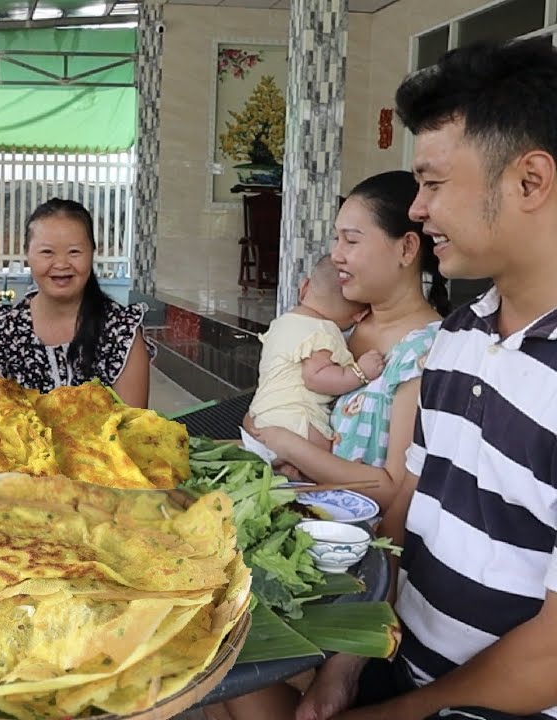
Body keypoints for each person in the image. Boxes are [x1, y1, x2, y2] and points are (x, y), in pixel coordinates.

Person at [287, 38, 557, 720]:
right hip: (400, 658)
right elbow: (409, 522)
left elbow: (550, 658)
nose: (416, 208)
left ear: (530, 181)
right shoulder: (459, 339)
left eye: (433, 184)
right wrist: (347, 667)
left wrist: (396, 712)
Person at [240, 170, 448, 514]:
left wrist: (288, 444)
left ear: (407, 248)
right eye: (336, 240)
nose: (336, 255)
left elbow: (394, 489)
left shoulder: (423, 352)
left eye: (351, 240)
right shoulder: (342, 327)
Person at [0, 198, 153, 407]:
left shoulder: (122, 331)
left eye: (74, 252)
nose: (61, 264)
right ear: (27, 254)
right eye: (47, 252)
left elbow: (134, 428)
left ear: (92, 252)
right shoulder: (3, 333)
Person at [247, 255, 383, 452]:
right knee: (324, 460)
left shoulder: (282, 323)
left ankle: (287, 468)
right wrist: (359, 372)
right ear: (360, 315)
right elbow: (315, 377)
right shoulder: (323, 330)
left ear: (303, 288)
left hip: (262, 415)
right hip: (298, 421)